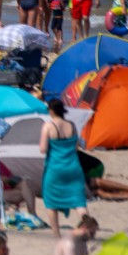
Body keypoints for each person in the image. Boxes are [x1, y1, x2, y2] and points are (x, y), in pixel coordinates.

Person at [39, 98, 87, 238]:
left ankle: (56, 234)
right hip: (73, 167)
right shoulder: (71, 125)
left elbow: (43, 149)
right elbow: (77, 146)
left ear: (52, 111)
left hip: (55, 168)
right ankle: (87, 228)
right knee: (79, 202)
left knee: (50, 202)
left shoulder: (48, 126)